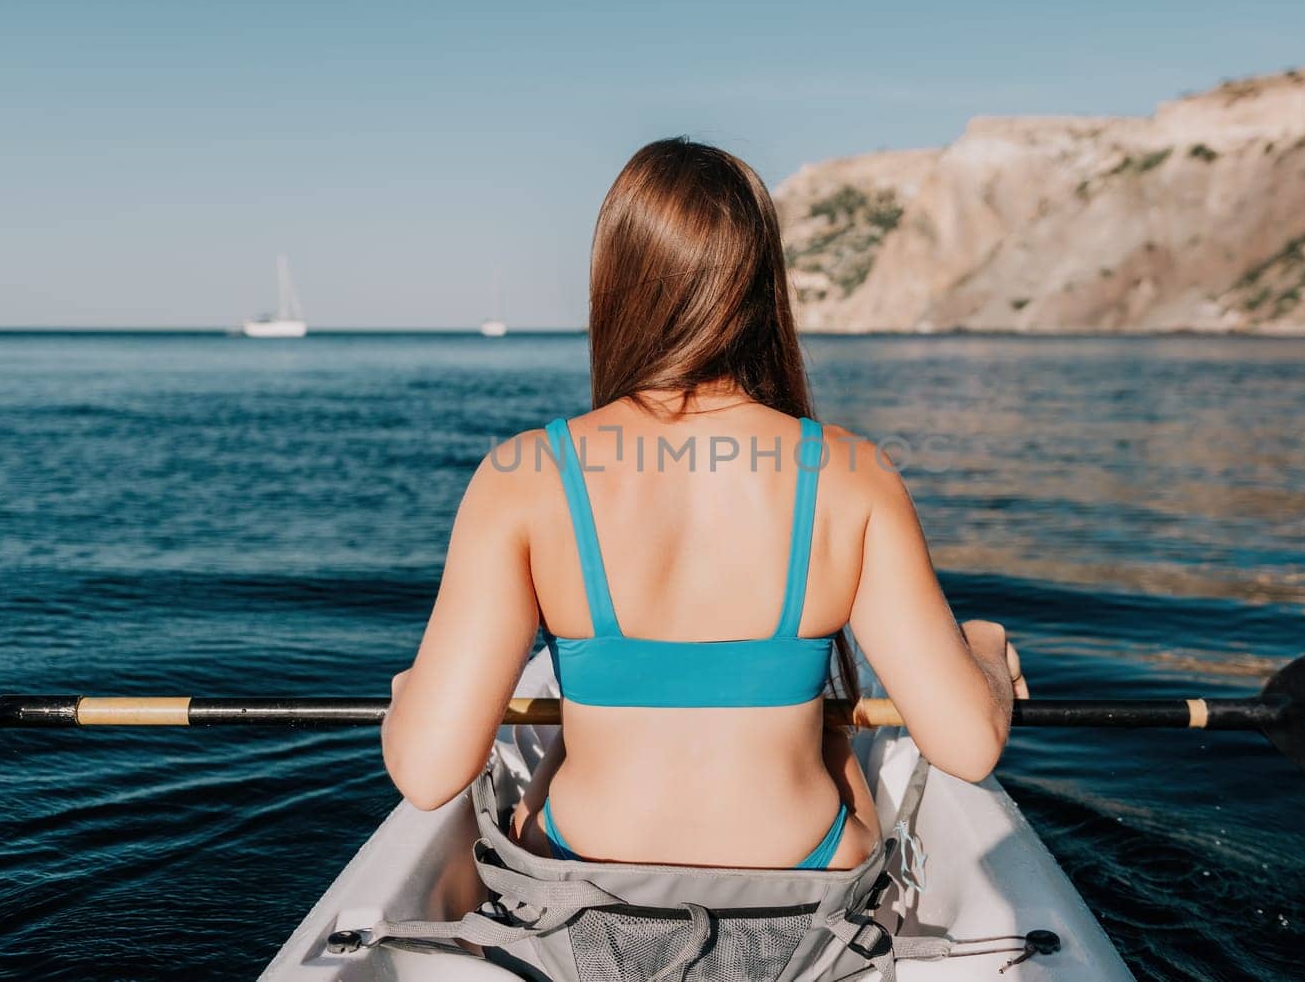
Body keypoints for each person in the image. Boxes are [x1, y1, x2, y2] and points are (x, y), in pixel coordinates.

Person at [381, 137, 1026, 881]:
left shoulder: (522, 477)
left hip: (582, 882)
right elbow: (968, 744)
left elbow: (427, 773)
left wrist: (409, 701)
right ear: (762, 290)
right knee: (833, 747)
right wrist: (982, 646)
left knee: (546, 773)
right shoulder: (851, 475)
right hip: (801, 890)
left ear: (615, 286)